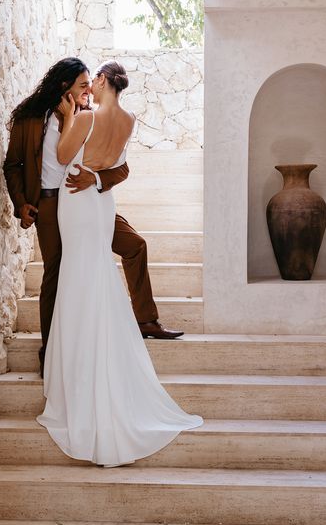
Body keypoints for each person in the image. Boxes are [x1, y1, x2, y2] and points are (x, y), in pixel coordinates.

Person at [36, 61, 202, 467]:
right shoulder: (129, 120)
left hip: (77, 202)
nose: (90, 84)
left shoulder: (87, 116)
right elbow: (117, 165)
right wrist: (96, 177)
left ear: (106, 81)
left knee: (78, 272)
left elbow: (61, 154)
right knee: (95, 272)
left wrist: (70, 116)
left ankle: (75, 368)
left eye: (94, 79)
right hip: (99, 202)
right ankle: (113, 345)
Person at [4, 57, 182, 377]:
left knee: (134, 245)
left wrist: (96, 180)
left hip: (85, 201)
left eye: (90, 84)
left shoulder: (88, 117)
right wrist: (21, 203)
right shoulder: (31, 119)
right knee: (56, 277)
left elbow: (120, 166)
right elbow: (13, 165)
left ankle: (146, 320)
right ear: (64, 87)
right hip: (49, 206)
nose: (88, 90)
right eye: (82, 85)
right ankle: (52, 352)